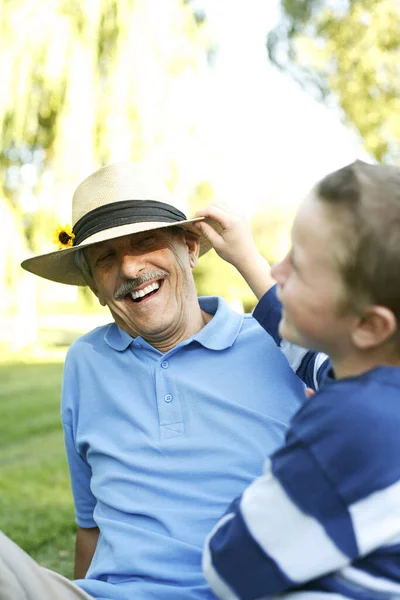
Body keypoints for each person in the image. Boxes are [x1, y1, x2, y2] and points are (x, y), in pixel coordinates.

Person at [0, 162, 306, 600]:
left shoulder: (277, 344)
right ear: (93, 285)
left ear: (191, 248)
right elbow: (91, 527)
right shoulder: (85, 362)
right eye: (106, 258)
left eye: (146, 242)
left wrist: (251, 264)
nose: (128, 267)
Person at [197, 160, 400, 599]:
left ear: (368, 325)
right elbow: (312, 359)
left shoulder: (351, 425)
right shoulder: (377, 388)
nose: (278, 271)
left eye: (300, 267)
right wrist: (246, 258)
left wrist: (297, 444)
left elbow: (230, 567)